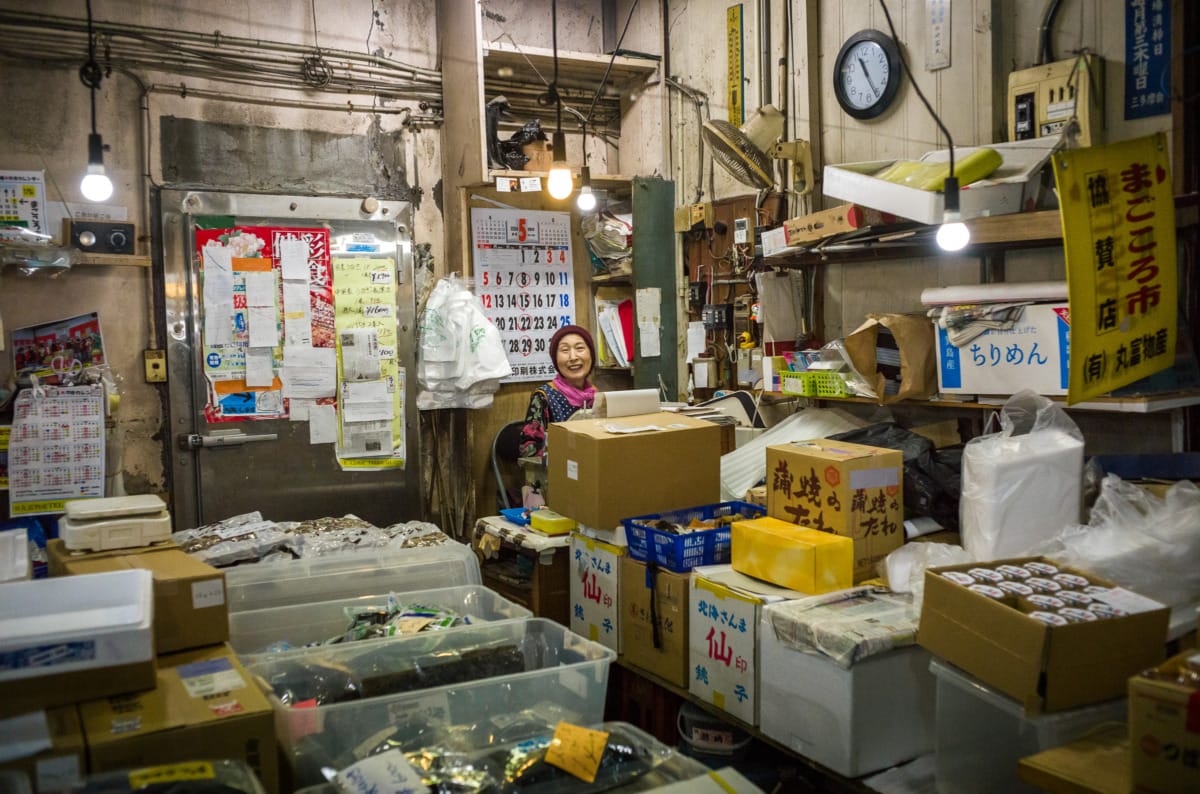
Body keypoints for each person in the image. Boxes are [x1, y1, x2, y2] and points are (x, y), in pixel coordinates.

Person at [519, 325, 596, 458]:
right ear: (556, 360)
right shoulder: (543, 397)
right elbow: (528, 451)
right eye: (565, 350)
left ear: (591, 355)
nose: (573, 357)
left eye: (580, 348)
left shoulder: (598, 396)